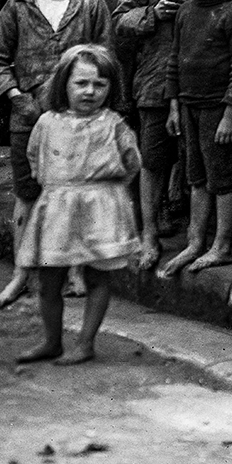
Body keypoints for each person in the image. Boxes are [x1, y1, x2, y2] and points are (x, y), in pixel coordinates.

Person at [0, 0, 114, 307]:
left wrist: (90, 101)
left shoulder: (90, 4)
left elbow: (106, 56)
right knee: (28, 195)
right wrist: (18, 98)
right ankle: (22, 272)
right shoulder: (17, 7)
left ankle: (74, 270)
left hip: (78, 123)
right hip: (29, 120)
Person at [115, 0, 232, 264]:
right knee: (154, 160)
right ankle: (148, 234)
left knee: (201, 165)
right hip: (156, 80)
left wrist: (205, 8)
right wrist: (153, 13)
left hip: (206, 85)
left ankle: (198, 238)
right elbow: (120, 19)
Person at [13, 44, 143, 366]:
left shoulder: (114, 125)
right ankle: (52, 341)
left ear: (111, 88)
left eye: (100, 84)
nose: (90, 91)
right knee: (49, 279)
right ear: (64, 84)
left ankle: (85, 342)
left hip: (101, 207)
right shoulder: (47, 122)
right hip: (57, 207)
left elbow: (132, 163)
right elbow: (35, 157)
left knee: (98, 276)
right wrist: (60, 188)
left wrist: (104, 191)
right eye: (81, 83)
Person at [156, 0, 232, 277]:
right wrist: (173, 105)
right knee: (196, 177)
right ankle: (195, 242)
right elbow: (175, 59)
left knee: (221, 177)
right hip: (188, 107)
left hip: (218, 109)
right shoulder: (184, 11)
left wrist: (230, 114)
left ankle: (221, 246)